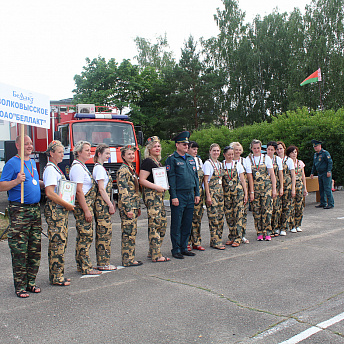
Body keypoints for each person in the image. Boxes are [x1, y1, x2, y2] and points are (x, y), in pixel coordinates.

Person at [0, 135, 42, 298]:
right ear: (17, 145)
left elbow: (33, 181)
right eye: (26, 144)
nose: (30, 146)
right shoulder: (12, 163)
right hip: (20, 211)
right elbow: (2, 186)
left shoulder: (31, 162)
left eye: (31, 143)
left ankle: (30, 282)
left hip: (34, 210)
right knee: (20, 250)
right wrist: (16, 181)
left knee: (34, 249)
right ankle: (20, 286)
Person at [43, 140, 75, 286]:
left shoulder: (56, 168)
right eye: (60, 152)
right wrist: (67, 204)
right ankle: (56, 277)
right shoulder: (50, 169)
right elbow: (50, 193)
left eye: (63, 152)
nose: (63, 155)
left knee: (61, 242)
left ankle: (58, 273)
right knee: (57, 243)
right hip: (55, 211)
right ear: (51, 153)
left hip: (60, 211)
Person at [165, 131, 200, 259]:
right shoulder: (172, 159)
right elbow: (171, 179)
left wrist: (197, 193)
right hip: (179, 195)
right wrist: (173, 196)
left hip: (190, 194)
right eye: (183, 144)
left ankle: (184, 247)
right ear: (177, 145)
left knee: (187, 222)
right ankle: (176, 249)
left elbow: (195, 177)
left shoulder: (191, 159)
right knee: (177, 223)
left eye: (187, 144)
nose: (186, 146)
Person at [69, 141, 101, 275]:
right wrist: (86, 210)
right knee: (85, 236)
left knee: (85, 236)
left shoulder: (82, 166)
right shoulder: (77, 167)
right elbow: (79, 191)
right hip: (83, 206)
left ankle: (82, 264)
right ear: (79, 152)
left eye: (90, 150)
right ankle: (85, 266)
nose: (89, 152)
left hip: (87, 205)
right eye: (87, 150)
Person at [139, 136, 170, 263]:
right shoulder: (147, 161)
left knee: (162, 224)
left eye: (159, 146)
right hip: (152, 196)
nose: (157, 148)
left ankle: (153, 250)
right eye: (155, 147)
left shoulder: (157, 162)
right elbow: (142, 180)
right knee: (155, 225)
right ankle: (156, 255)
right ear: (149, 149)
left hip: (159, 196)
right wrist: (157, 187)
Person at [246, 139, 277, 241]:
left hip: (266, 188)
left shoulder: (266, 158)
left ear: (261, 148)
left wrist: (274, 189)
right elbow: (250, 177)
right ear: (251, 148)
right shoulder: (248, 159)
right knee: (257, 211)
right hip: (255, 189)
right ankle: (259, 231)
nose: (256, 150)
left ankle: (267, 231)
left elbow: (272, 174)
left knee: (267, 210)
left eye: (258, 148)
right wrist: (251, 192)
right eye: (254, 148)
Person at [117, 145, 142, 266]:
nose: (131, 156)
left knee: (132, 233)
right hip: (128, 206)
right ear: (123, 156)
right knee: (128, 233)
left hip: (134, 205)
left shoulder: (130, 168)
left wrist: (137, 207)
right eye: (129, 154)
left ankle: (130, 258)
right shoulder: (123, 170)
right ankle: (127, 259)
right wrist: (128, 208)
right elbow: (123, 191)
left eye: (133, 154)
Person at [93, 144, 117, 270]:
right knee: (104, 233)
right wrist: (110, 204)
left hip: (103, 204)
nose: (108, 156)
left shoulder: (101, 168)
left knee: (105, 233)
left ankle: (103, 261)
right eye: (106, 153)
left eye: (109, 154)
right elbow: (101, 189)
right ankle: (103, 263)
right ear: (99, 154)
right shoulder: (99, 169)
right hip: (102, 205)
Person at [222, 146, 248, 247]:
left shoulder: (238, 165)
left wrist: (246, 193)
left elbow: (243, 180)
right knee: (229, 216)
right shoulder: (221, 165)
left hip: (238, 193)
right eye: (229, 154)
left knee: (238, 215)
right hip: (227, 194)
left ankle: (238, 237)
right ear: (224, 155)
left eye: (232, 154)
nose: (231, 156)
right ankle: (232, 236)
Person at [203, 143, 225, 249]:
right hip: (212, 194)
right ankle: (215, 241)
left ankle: (218, 239)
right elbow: (206, 181)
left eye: (217, 151)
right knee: (213, 218)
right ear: (210, 152)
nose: (216, 153)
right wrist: (208, 196)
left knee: (220, 218)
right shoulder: (208, 164)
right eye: (214, 151)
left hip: (220, 193)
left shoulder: (220, 164)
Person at [187, 141, 205, 251]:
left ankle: (197, 241)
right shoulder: (185, 160)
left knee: (198, 218)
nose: (195, 151)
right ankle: (187, 242)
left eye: (196, 149)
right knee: (188, 218)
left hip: (199, 193)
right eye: (193, 149)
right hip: (189, 193)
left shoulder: (199, 160)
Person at [231, 141, 250, 244]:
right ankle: (233, 235)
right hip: (230, 192)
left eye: (239, 150)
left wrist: (248, 192)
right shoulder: (227, 161)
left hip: (242, 190)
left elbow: (249, 176)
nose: (237, 151)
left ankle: (242, 235)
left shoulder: (244, 160)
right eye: (235, 149)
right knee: (231, 215)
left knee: (242, 214)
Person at [276, 141, 296, 236]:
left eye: (281, 148)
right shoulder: (274, 159)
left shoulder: (289, 160)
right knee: (277, 208)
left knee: (286, 207)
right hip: (277, 186)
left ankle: (284, 227)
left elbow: (293, 175)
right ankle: (276, 227)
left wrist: (293, 189)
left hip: (287, 186)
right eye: (278, 149)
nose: (279, 150)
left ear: (284, 149)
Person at [287, 145, 308, 232]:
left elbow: (303, 176)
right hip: (291, 186)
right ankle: (292, 225)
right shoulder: (287, 162)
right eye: (292, 152)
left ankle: (298, 224)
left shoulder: (300, 163)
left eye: (295, 152)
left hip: (299, 186)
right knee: (291, 206)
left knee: (299, 206)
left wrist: (305, 188)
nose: (294, 154)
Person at [266, 141, 284, 237]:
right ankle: (268, 229)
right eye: (268, 149)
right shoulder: (263, 159)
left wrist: (281, 187)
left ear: (275, 151)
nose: (270, 151)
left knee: (276, 208)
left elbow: (280, 174)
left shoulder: (277, 160)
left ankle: (276, 227)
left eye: (272, 150)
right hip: (266, 186)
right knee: (268, 208)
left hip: (276, 186)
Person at [310, 140, 334, 209]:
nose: (315, 148)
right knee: (321, 189)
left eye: (316, 146)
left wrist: (329, 171)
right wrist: (312, 172)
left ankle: (330, 203)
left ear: (320, 146)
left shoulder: (325, 153)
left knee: (327, 188)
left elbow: (330, 162)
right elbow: (314, 165)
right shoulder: (315, 155)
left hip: (325, 173)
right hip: (319, 173)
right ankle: (323, 203)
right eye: (314, 147)